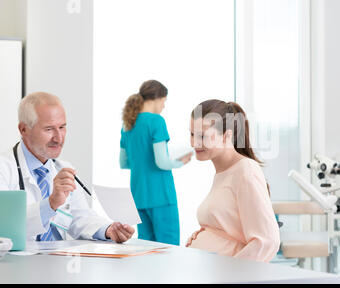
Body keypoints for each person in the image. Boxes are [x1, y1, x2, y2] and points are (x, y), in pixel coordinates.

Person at [0, 92, 134, 242]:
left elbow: (79, 218)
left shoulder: (63, 169)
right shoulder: (4, 169)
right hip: (17, 263)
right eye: (49, 129)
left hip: (59, 260)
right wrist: (50, 204)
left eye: (62, 127)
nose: (59, 138)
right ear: (23, 129)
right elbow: (5, 226)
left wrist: (108, 230)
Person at [185, 99, 280, 262]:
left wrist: (232, 278)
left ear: (227, 136)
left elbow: (267, 241)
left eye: (203, 136)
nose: (194, 143)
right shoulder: (223, 172)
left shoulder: (245, 170)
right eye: (192, 134)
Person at [120, 80, 192, 245]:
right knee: (169, 247)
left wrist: (142, 162)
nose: (164, 106)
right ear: (158, 98)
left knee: (147, 248)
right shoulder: (157, 121)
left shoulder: (127, 125)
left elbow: (123, 163)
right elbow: (161, 162)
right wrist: (180, 161)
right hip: (161, 195)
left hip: (138, 196)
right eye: (164, 101)